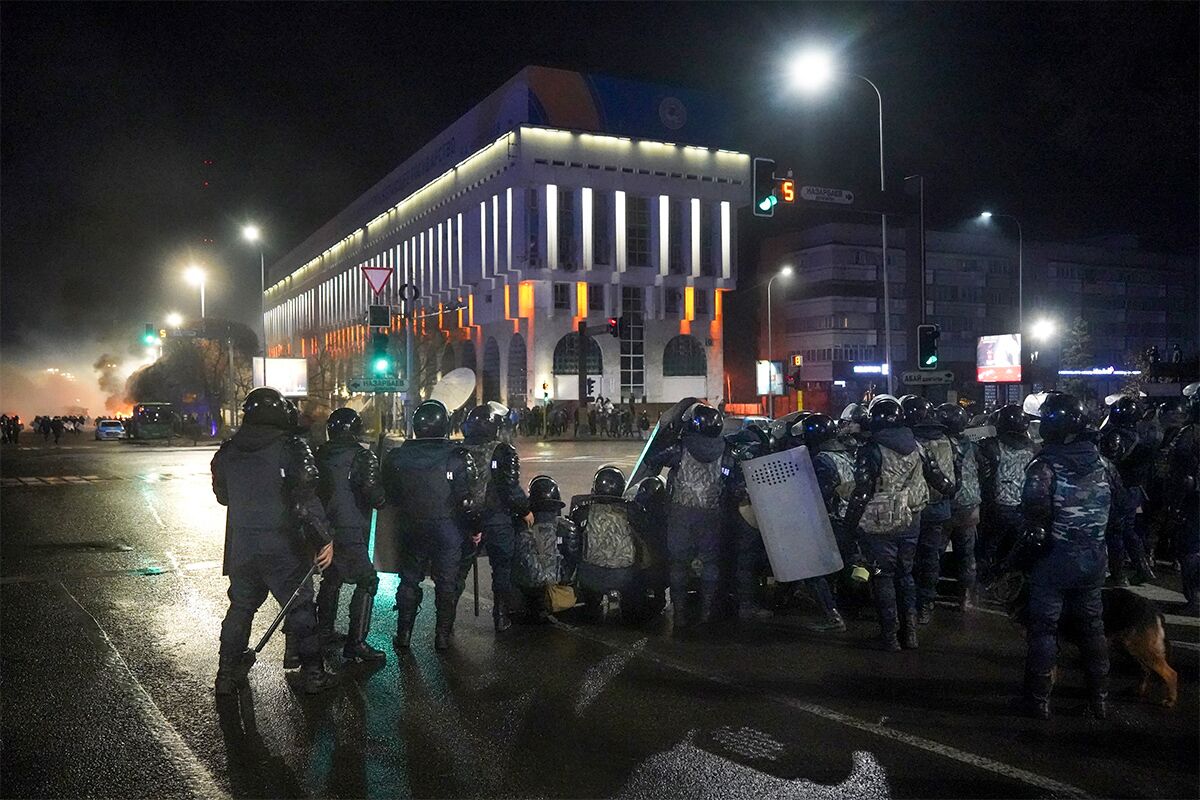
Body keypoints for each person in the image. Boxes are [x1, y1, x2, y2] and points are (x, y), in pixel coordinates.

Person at [211, 388, 337, 695]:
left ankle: (226, 675)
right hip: (284, 546)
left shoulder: (228, 450)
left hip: (243, 545)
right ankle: (313, 674)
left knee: (241, 607)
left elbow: (223, 496)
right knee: (301, 608)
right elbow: (305, 500)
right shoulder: (292, 448)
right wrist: (324, 540)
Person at [1016, 392, 1121, 719]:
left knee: (1044, 630)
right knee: (1092, 628)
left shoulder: (1044, 466)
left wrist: (1016, 563)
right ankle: (1099, 699)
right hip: (1092, 560)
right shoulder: (1103, 463)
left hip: (1053, 561)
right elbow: (1119, 510)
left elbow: (1035, 526)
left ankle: (1039, 701)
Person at [843, 397, 954, 651]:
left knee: (882, 575)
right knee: (906, 575)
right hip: (911, 521)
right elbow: (940, 480)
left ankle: (890, 636)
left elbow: (862, 492)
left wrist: (850, 526)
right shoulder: (917, 446)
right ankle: (911, 634)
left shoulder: (871, 449)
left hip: (880, 523)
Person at [383, 400, 474, 652]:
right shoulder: (457, 456)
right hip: (447, 527)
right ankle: (442, 637)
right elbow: (466, 499)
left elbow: (389, 494)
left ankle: (403, 634)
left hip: (411, 526)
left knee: (409, 580)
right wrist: (474, 528)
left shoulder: (397, 456)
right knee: (446, 582)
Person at [646, 402, 734, 631]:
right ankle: (706, 611)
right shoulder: (726, 449)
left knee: (678, 563)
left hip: (681, 513)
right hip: (711, 513)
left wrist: (672, 431)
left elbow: (652, 458)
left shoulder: (680, 448)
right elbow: (732, 476)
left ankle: (680, 613)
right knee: (710, 563)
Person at [314, 408, 387, 663]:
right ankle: (356, 642)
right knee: (367, 580)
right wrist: (382, 497)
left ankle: (324, 631)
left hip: (323, 527)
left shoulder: (318, 453)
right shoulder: (361, 456)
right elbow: (373, 493)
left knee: (332, 577)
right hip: (350, 526)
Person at [460, 402, 529, 632]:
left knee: (458, 569)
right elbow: (510, 487)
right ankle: (501, 616)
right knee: (502, 566)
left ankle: (445, 623)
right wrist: (525, 510)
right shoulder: (503, 451)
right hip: (497, 517)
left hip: (465, 519)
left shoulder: (459, 451)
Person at [903, 396, 960, 625]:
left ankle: (911, 606)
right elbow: (958, 475)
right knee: (931, 557)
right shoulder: (948, 440)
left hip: (914, 508)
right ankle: (926, 603)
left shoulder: (911, 443)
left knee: (909, 559)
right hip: (941, 508)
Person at [800, 413, 854, 632]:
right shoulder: (845, 454)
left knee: (812, 569)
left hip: (831, 520)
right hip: (850, 519)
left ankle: (832, 616)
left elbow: (820, 494)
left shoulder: (822, 459)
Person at [569, 466, 644, 623]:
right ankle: (626, 604)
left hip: (591, 575)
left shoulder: (582, 510)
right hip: (624, 576)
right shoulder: (632, 510)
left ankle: (592, 602)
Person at [977, 404, 1037, 583]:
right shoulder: (1033, 448)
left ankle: (986, 581)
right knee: (1013, 548)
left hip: (997, 506)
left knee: (989, 547)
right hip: (1023, 506)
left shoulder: (991, 444)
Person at [1100, 396, 1156, 586]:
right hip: (1134, 489)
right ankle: (1143, 568)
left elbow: (1109, 462)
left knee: (1114, 532)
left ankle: (1118, 574)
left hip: (1119, 489)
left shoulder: (1116, 435)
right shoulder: (1142, 433)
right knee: (1128, 531)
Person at [512, 475, 578, 622]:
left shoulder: (519, 526)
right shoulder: (567, 528)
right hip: (557, 584)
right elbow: (572, 558)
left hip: (526, 585)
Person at [725, 423, 773, 621]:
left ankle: (735, 600)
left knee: (738, 560)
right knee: (747, 562)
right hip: (750, 514)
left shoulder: (730, 458)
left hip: (734, 514)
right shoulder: (761, 458)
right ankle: (747, 606)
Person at [938, 403, 982, 610]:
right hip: (970, 504)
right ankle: (965, 598)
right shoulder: (973, 445)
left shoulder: (939, 445)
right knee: (966, 553)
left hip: (945, 504)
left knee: (935, 552)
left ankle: (930, 598)